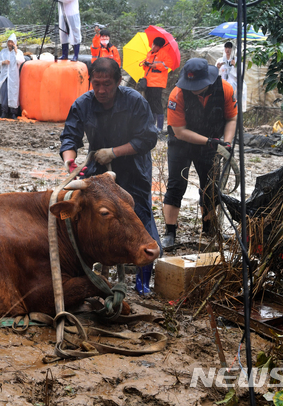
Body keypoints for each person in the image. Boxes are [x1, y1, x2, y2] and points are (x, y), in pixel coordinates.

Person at [60, 58, 160, 295]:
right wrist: (70, 160)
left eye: (108, 84)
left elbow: (148, 138)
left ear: (118, 82)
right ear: (91, 82)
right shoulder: (83, 104)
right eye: (97, 84)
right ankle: (97, 273)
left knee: (139, 216)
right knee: (97, 220)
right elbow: (69, 137)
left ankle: (143, 279)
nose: (102, 90)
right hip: (99, 173)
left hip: (133, 169)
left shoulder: (135, 101)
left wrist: (114, 152)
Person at [160, 58, 238, 248]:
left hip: (212, 143)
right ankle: (170, 232)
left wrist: (226, 143)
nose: (194, 88)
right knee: (176, 184)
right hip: (181, 144)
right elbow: (179, 131)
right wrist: (209, 142)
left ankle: (209, 229)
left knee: (210, 186)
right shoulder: (177, 95)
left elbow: (231, 118)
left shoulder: (226, 89)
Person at [0, 34, 24, 119]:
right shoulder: (3, 52)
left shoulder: (19, 52)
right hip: (4, 76)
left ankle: (13, 112)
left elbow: (20, 61)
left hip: (13, 77)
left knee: (13, 93)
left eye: (12, 42)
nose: (10, 44)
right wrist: (3, 62)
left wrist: (16, 51)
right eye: (9, 42)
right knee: (4, 93)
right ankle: (4, 111)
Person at [142, 37, 172, 134]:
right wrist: (145, 64)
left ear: (160, 47)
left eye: (155, 45)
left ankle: (159, 127)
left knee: (157, 104)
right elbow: (145, 68)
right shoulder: (149, 53)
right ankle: (152, 125)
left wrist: (155, 65)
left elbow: (168, 65)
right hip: (148, 82)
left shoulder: (164, 54)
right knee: (149, 103)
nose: (153, 47)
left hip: (157, 83)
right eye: (153, 44)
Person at [216, 41, 247, 112]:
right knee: (223, 105)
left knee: (233, 106)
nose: (227, 50)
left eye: (229, 48)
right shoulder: (220, 60)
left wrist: (235, 66)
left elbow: (241, 74)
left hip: (234, 87)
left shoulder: (237, 60)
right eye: (226, 47)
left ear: (232, 49)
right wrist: (217, 68)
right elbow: (216, 74)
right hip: (223, 86)